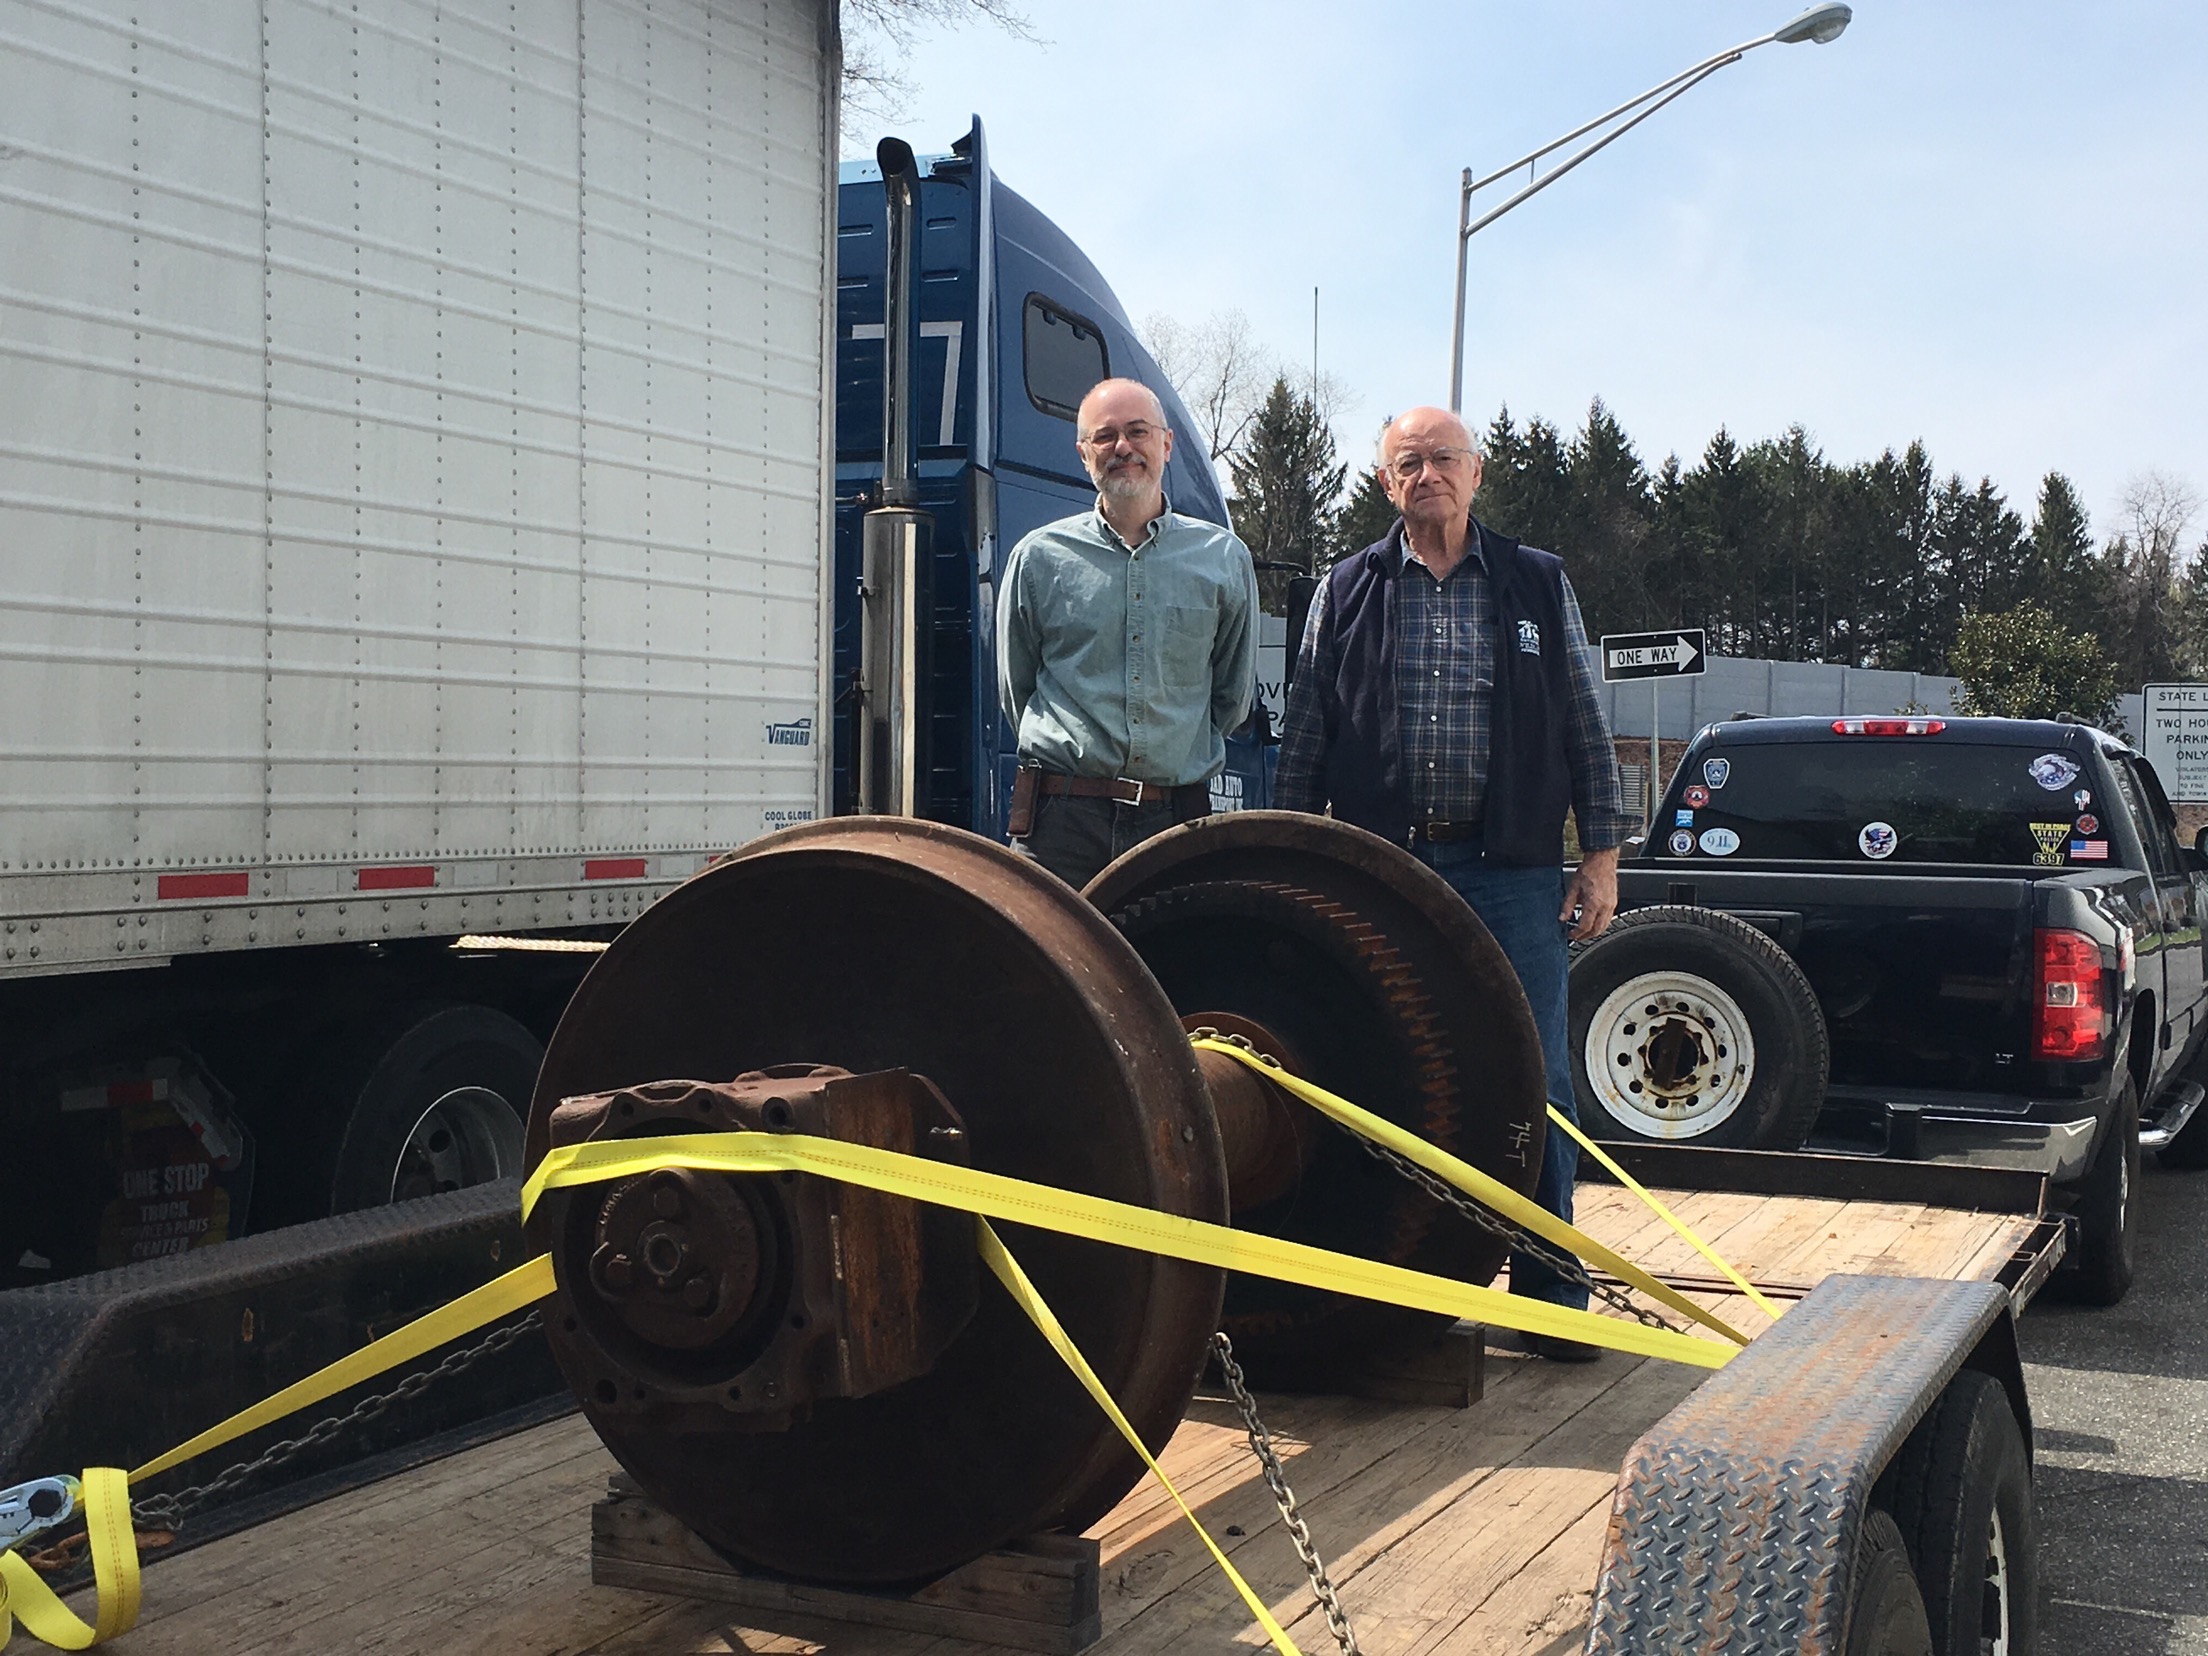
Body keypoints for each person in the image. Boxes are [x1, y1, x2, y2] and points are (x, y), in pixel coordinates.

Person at [1273, 405, 1635, 1361]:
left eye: (1442, 459)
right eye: (1407, 463)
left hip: (1510, 869)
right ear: (1385, 482)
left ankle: (1553, 1292)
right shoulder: (1344, 590)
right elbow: (1306, 732)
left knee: (1541, 1080)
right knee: (1370, 1064)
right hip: (1381, 867)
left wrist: (1599, 857)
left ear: (1476, 474)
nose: (1426, 474)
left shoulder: (1535, 582)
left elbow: (1585, 730)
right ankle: (1383, 1285)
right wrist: (1289, 862)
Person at [996, 377, 1259, 889]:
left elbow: (1232, 698)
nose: (1122, 447)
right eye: (1105, 436)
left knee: (1172, 969)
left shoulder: (1223, 558)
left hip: (1177, 820)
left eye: (1138, 431)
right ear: (1082, 453)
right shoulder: (1038, 558)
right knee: (1044, 967)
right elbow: (1018, 689)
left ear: (1166, 443)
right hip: (1060, 824)